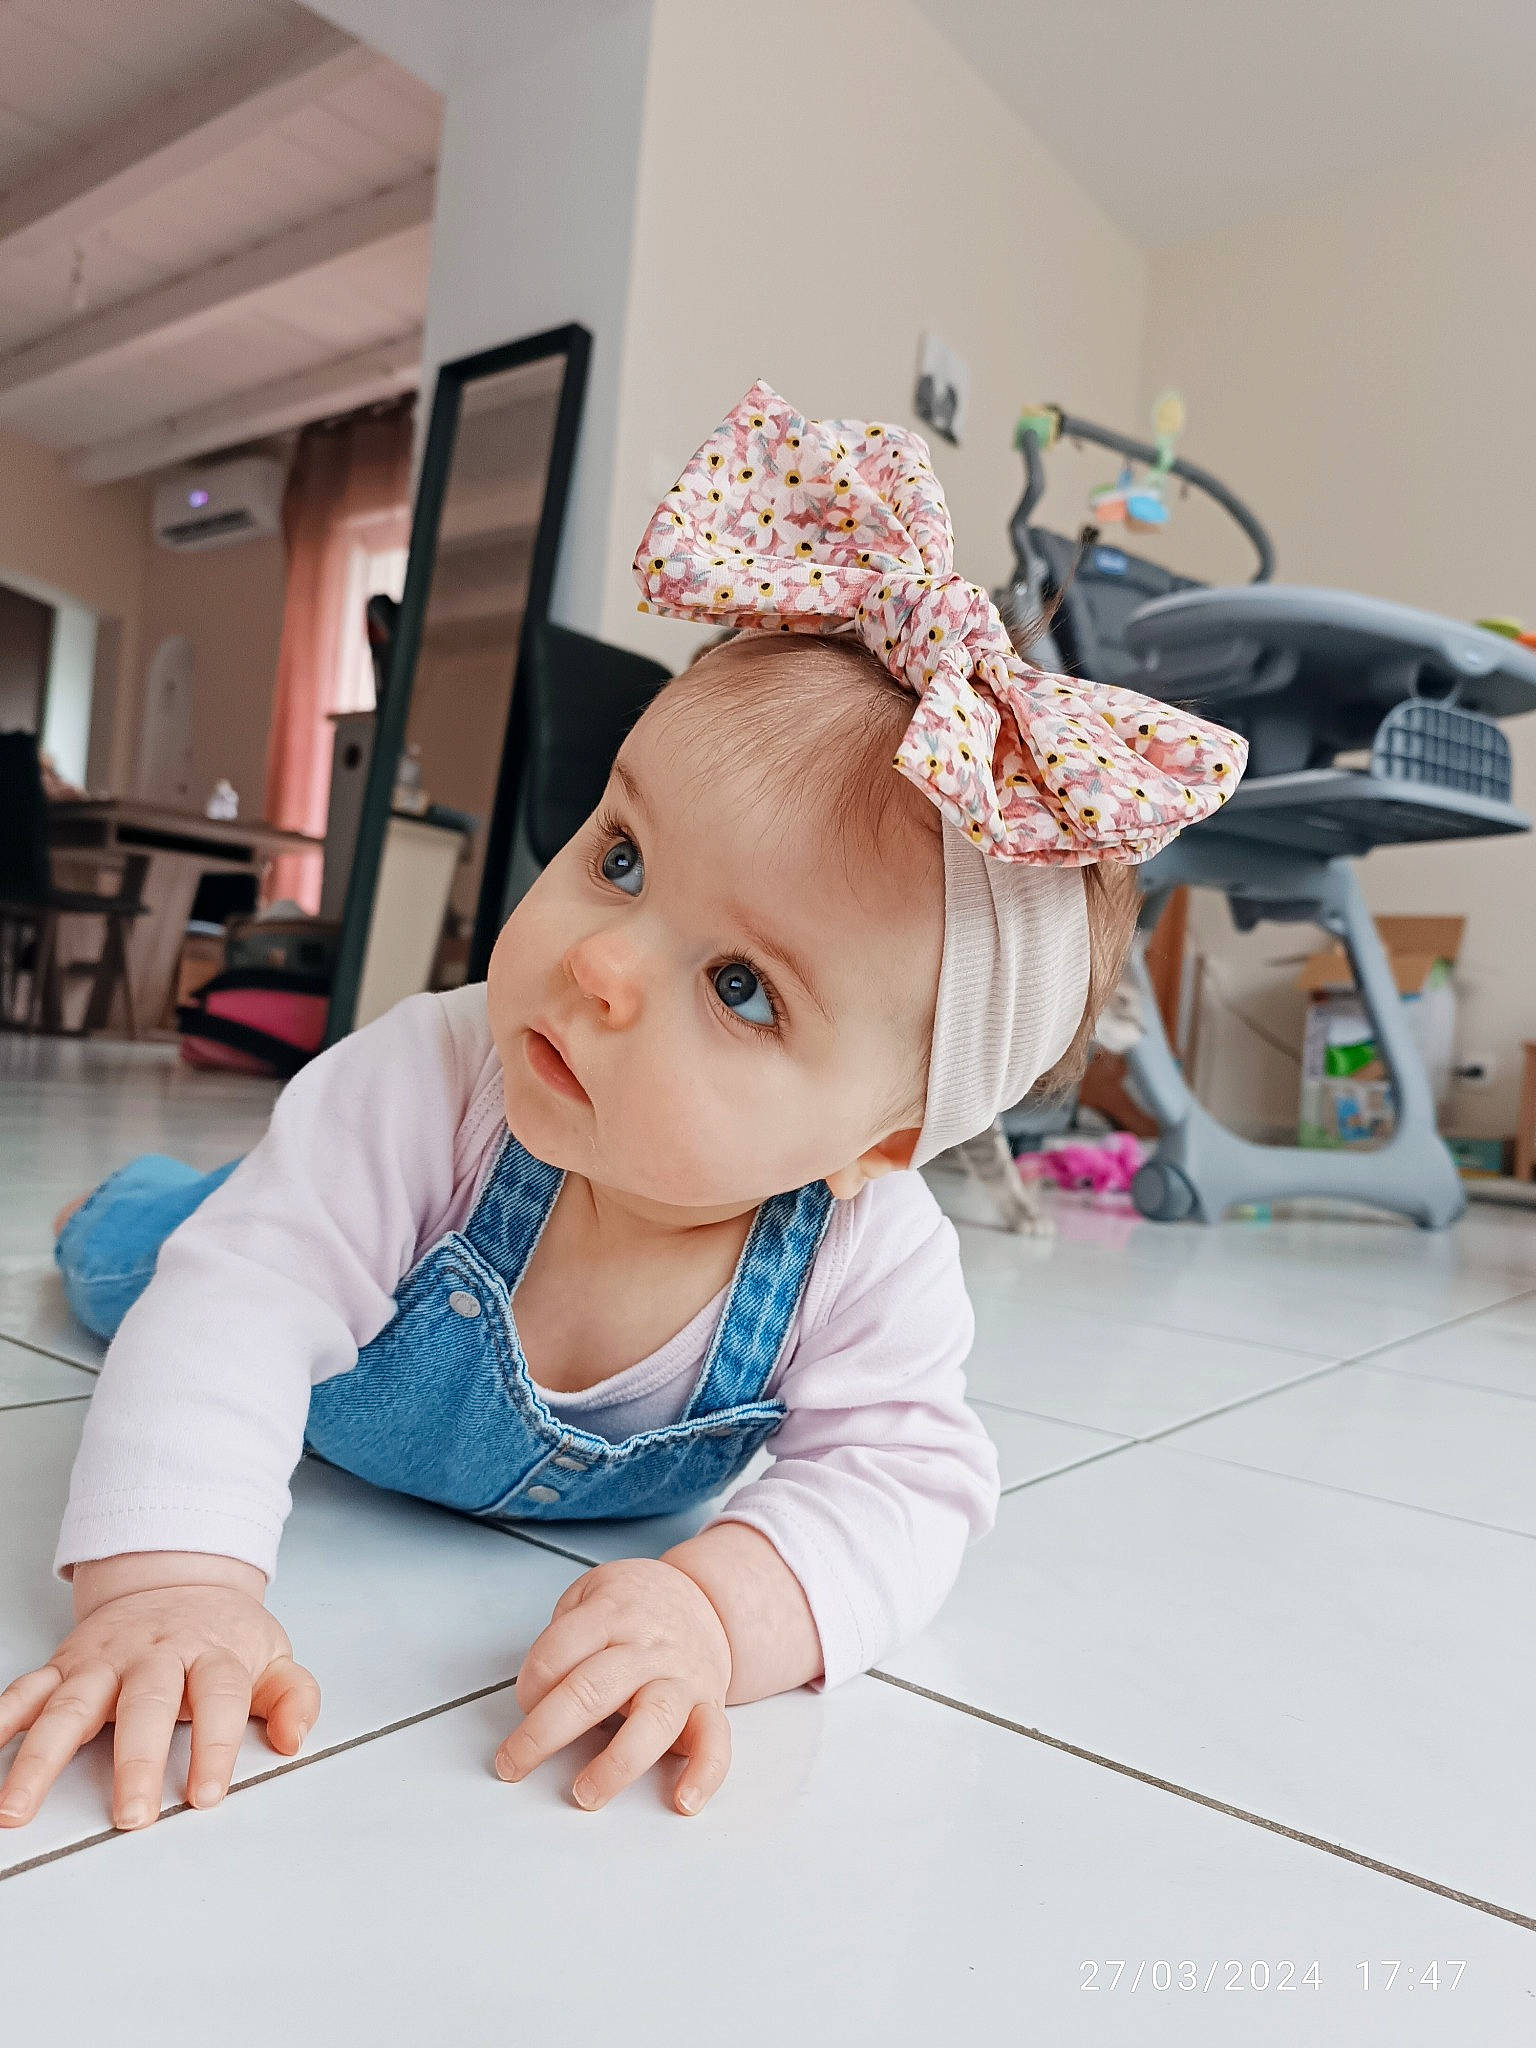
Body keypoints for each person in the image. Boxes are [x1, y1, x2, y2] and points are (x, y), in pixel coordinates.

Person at [0, 383, 1244, 1835]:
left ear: (880, 1145)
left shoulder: (871, 1256)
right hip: (268, 1257)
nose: (595, 964)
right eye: (625, 859)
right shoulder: (436, 1073)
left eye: (741, 987)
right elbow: (240, 1308)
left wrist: (721, 1613)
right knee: (160, 1256)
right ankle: (121, 1200)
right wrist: (175, 1587)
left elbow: (907, 1488)